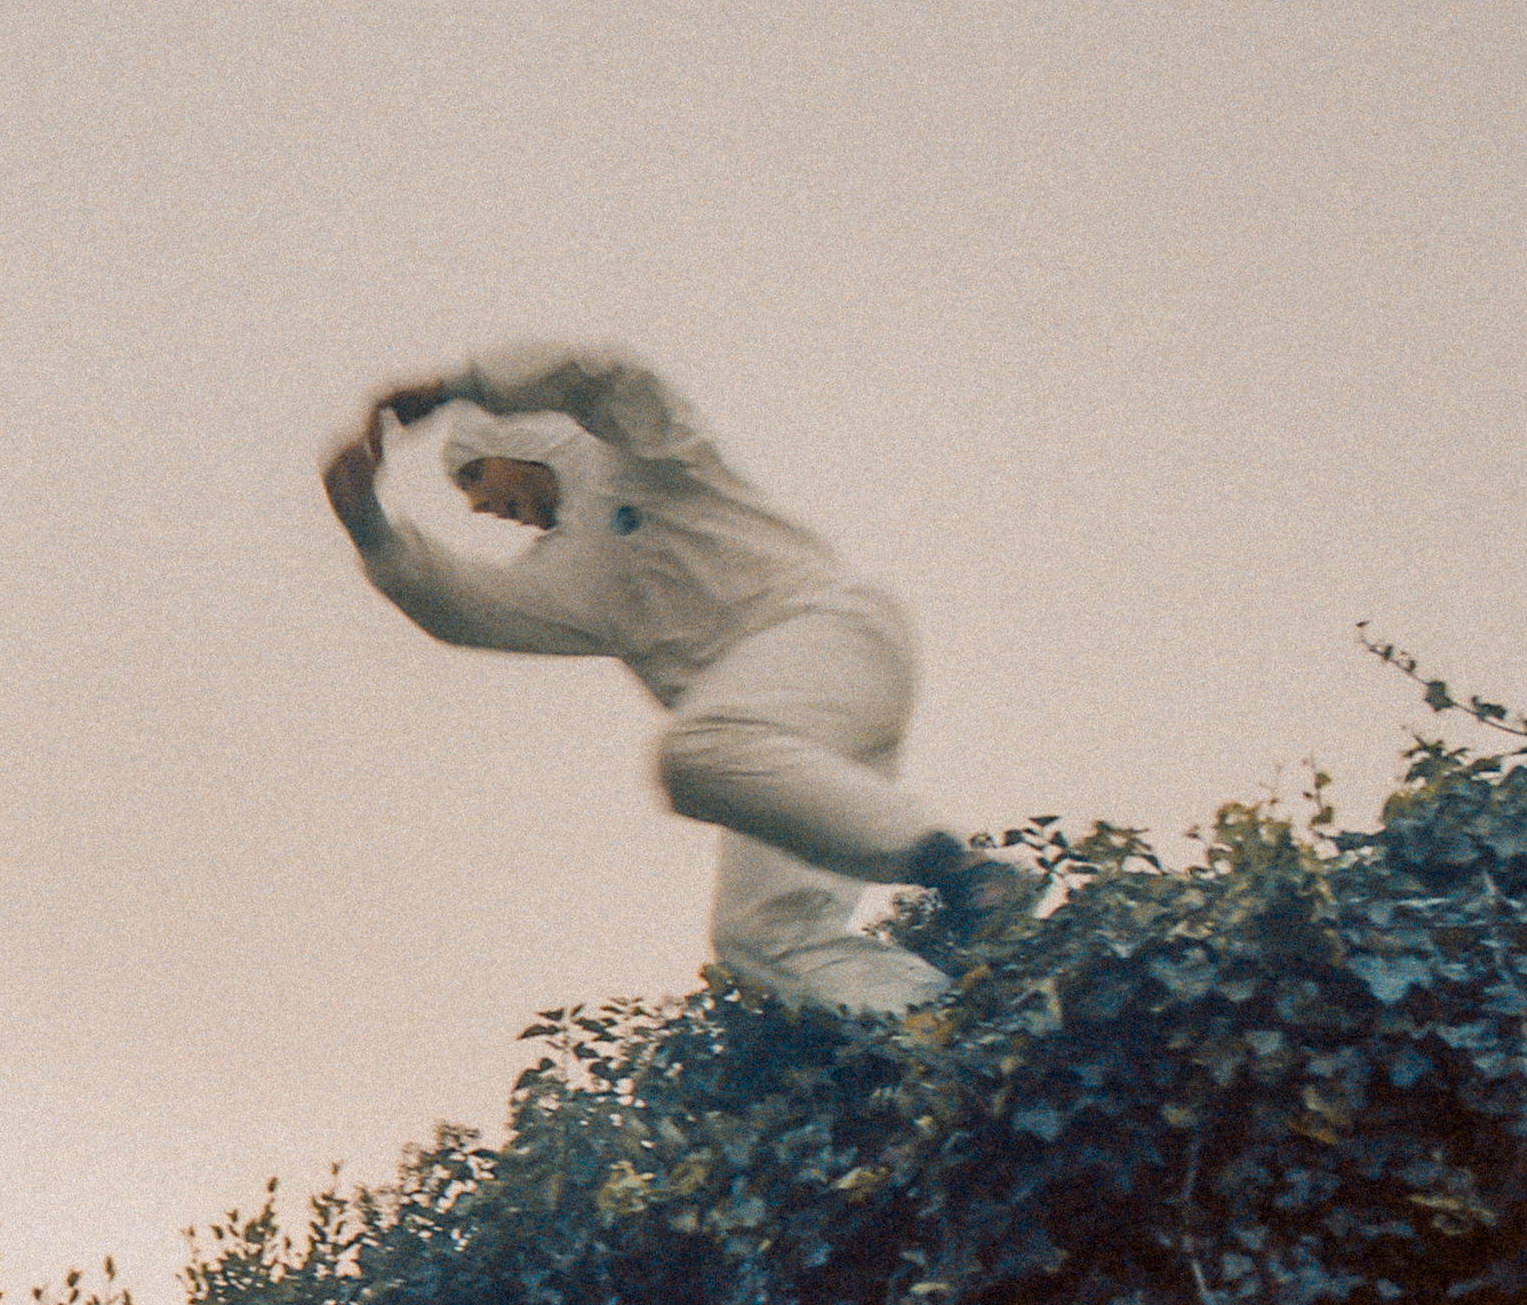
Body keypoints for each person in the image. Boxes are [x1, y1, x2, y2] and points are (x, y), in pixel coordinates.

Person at [320, 341, 1031, 1016]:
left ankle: (964, 871)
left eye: (473, 476)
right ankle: (962, 1026)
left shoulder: (639, 454)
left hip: (826, 634)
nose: (476, 506)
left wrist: (460, 384)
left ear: (521, 442)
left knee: (693, 752)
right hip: (784, 740)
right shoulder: (568, 576)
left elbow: (603, 374)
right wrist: (370, 530)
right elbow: (463, 610)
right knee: (759, 937)